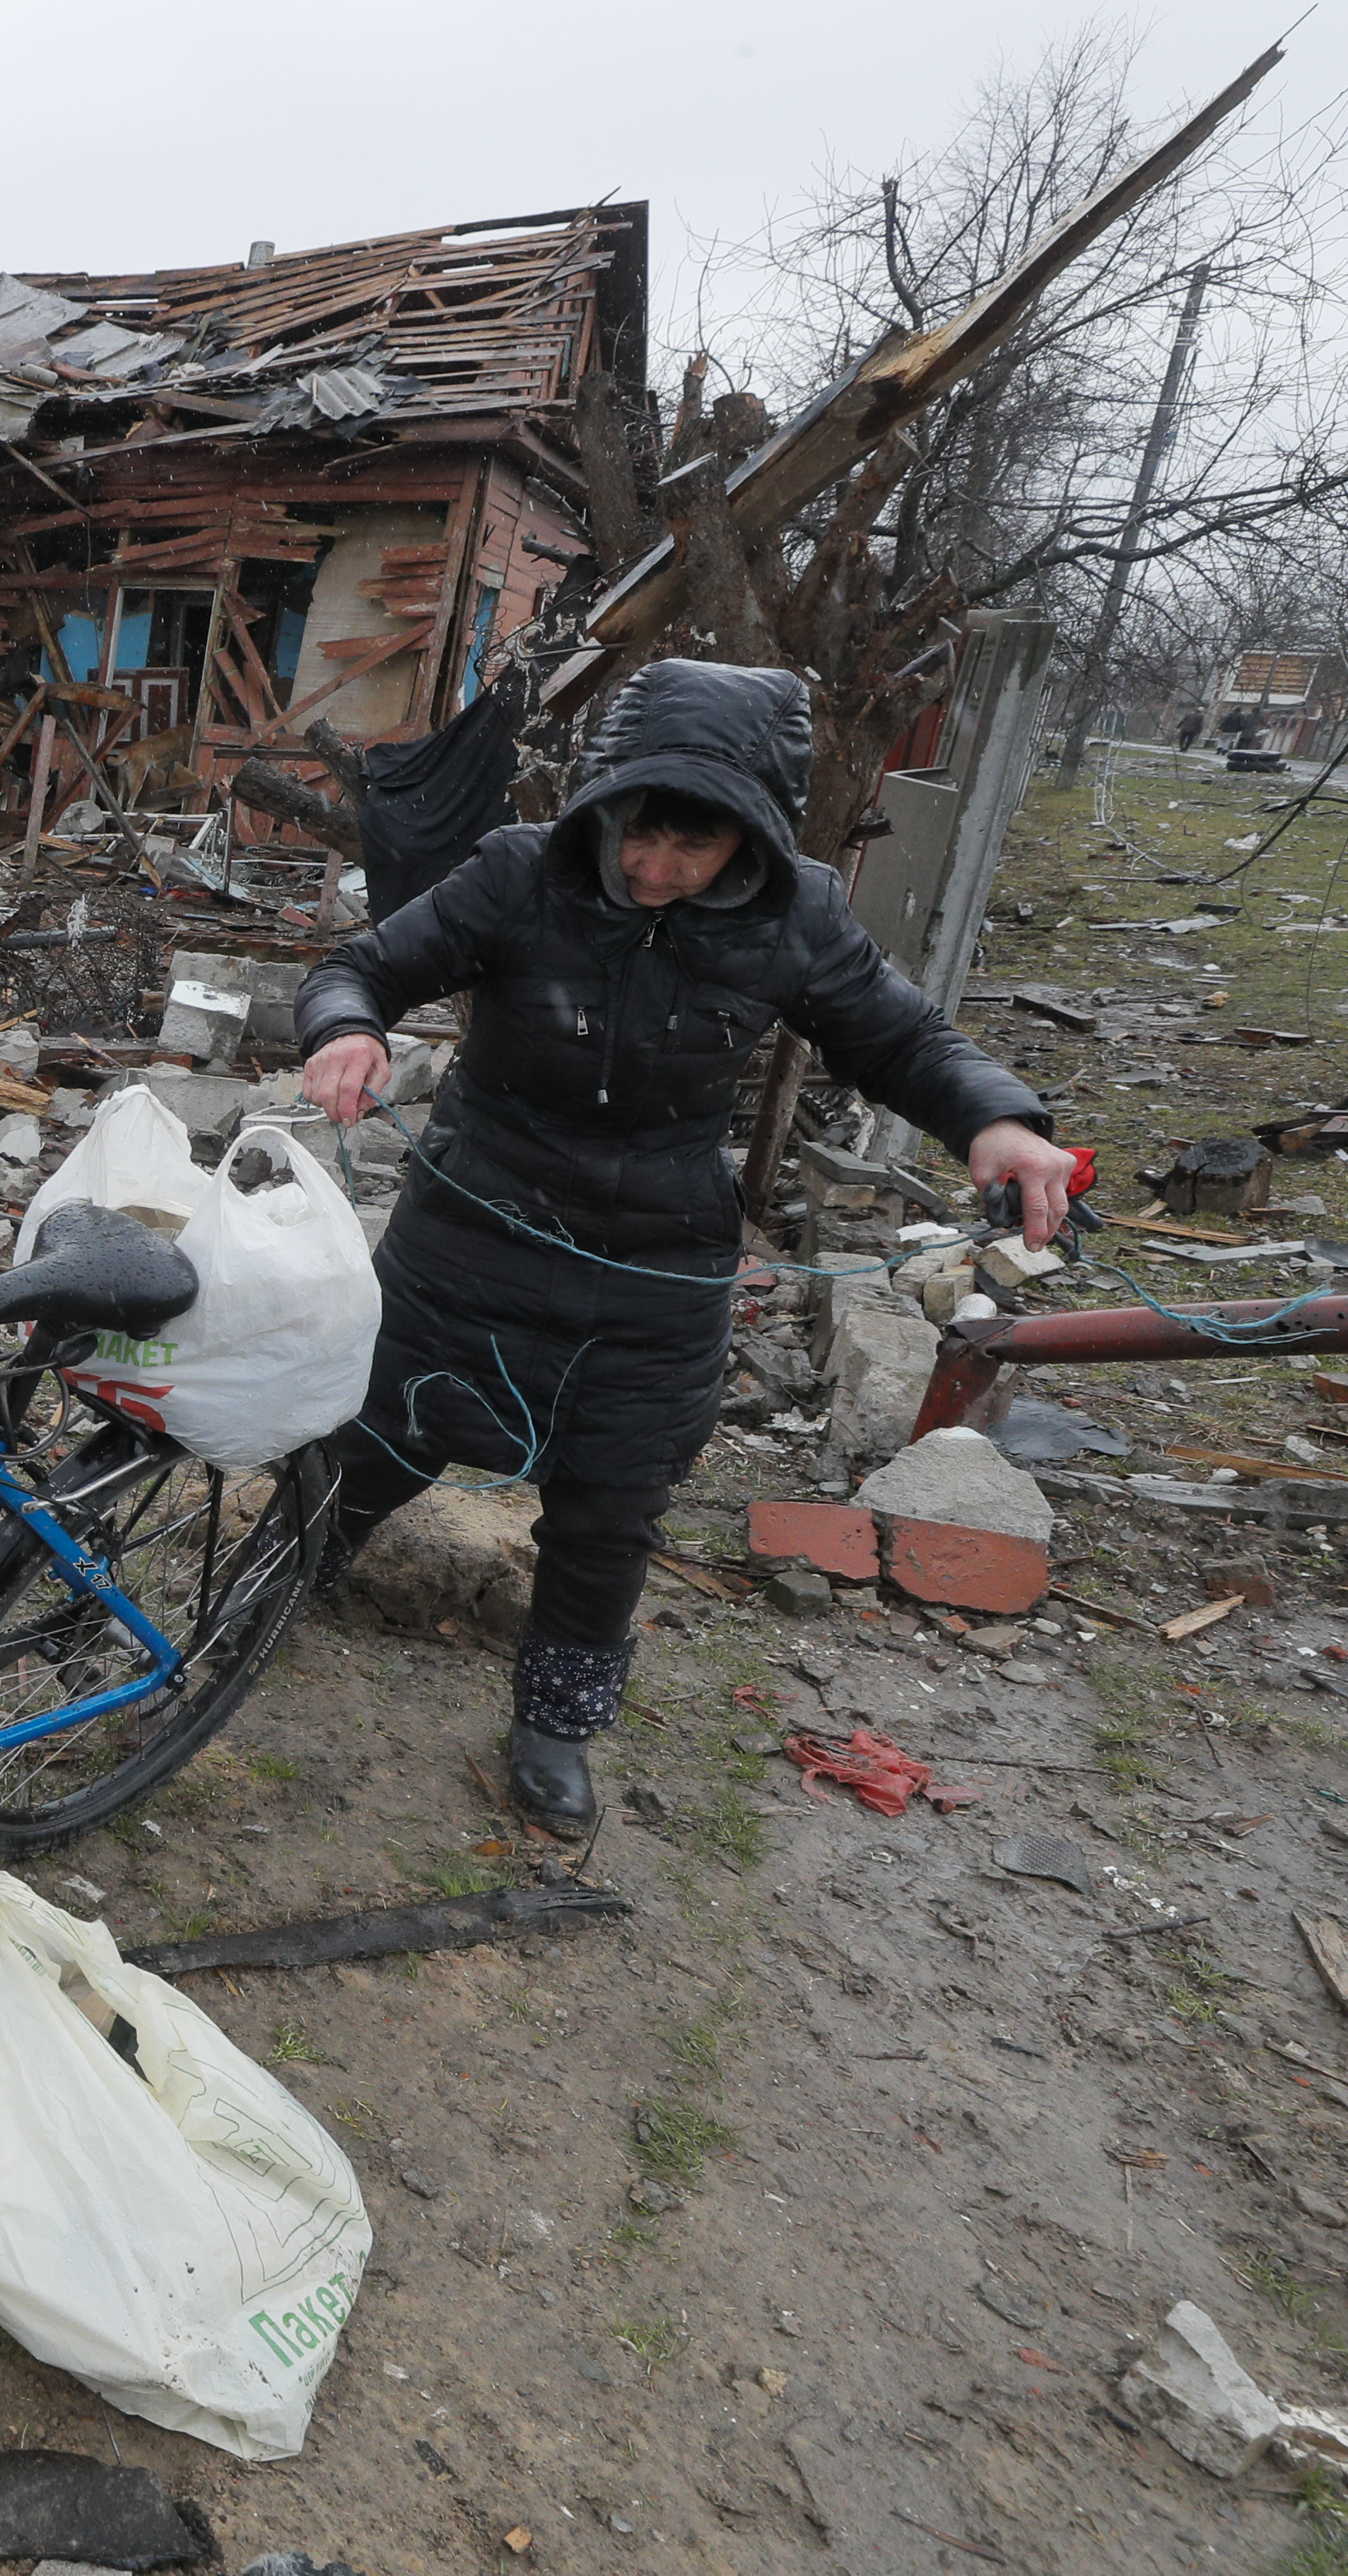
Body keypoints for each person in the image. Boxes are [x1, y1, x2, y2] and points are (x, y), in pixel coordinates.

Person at [291, 659, 1071, 1835]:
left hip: (654, 1262)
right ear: (603, 811)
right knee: (376, 1436)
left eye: (690, 853)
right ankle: (274, 1579)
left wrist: (998, 1118)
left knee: (612, 1504)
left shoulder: (794, 912)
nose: (656, 872)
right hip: (470, 1229)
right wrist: (347, 1029)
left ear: (742, 843)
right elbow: (361, 966)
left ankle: (555, 1723)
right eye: (638, 843)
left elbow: (901, 1039)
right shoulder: (517, 874)